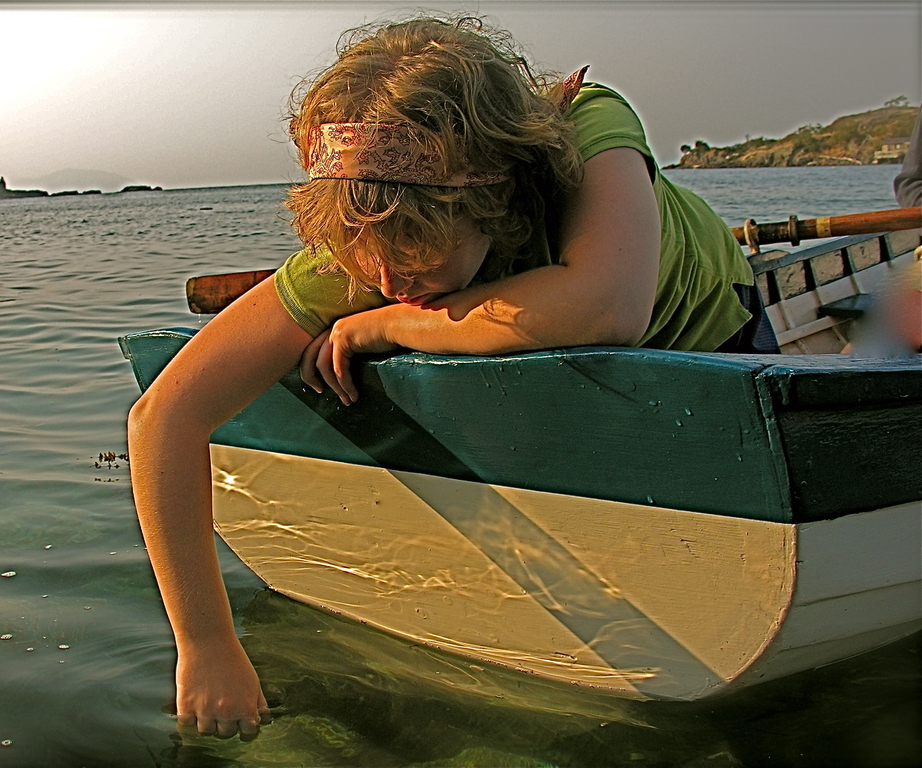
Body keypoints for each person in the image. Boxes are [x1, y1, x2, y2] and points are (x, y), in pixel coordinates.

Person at [127, 16, 774, 741]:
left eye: (418, 251)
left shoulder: (590, 123)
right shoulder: (369, 242)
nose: (385, 277)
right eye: (364, 258)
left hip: (710, 336)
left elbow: (608, 307)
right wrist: (206, 644)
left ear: (494, 200)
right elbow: (164, 417)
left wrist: (389, 325)